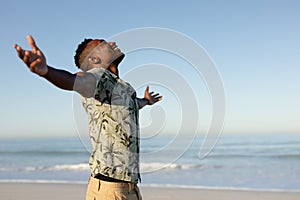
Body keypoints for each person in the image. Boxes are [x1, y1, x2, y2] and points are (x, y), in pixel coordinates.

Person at [14, 35, 162, 200]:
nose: (112, 43)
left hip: (129, 188)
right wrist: (47, 71)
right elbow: (74, 81)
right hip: (110, 189)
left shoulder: (120, 87)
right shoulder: (98, 77)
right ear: (94, 59)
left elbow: (131, 104)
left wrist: (146, 101)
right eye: (104, 44)